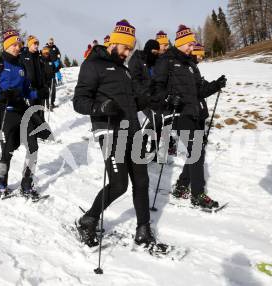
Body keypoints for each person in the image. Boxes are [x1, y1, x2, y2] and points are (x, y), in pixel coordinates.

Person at [73, 20, 154, 247]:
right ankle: (89, 219)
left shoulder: (124, 71)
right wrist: (100, 108)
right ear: (115, 43)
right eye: (126, 48)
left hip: (132, 131)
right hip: (110, 131)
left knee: (142, 181)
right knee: (119, 185)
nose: (128, 53)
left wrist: (145, 100)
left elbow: (130, 103)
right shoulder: (92, 65)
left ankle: (143, 229)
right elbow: (79, 101)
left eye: (131, 49)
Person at [151, 25, 226, 209]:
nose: (192, 48)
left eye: (193, 45)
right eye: (189, 45)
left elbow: (200, 90)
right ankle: (198, 195)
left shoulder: (191, 65)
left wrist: (216, 85)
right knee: (197, 151)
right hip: (177, 113)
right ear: (181, 43)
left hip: (193, 113)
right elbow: (155, 89)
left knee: (197, 150)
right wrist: (168, 98)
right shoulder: (166, 61)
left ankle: (182, 186)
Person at [0, 29, 45, 199]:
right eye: (13, 44)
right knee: (7, 151)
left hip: (22, 111)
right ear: (6, 46)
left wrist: (38, 93)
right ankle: (0, 183)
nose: (17, 47)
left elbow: (27, 91)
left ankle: (26, 185)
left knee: (33, 148)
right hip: (5, 111)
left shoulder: (21, 65)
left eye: (19, 44)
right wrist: (0, 95)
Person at [128, 39, 161, 158]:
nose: (155, 54)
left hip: (153, 96)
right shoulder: (136, 60)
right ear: (147, 49)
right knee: (156, 118)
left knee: (159, 120)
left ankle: (152, 146)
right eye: (153, 51)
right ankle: (150, 148)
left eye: (157, 52)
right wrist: (147, 93)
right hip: (140, 98)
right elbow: (134, 81)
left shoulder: (155, 61)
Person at [20, 35, 49, 119]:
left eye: (37, 44)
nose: (36, 46)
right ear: (29, 44)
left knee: (41, 113)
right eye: (34, 44)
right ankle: (34, 131)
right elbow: (21, 73)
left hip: (41, 88)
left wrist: (45, 85)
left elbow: (44, 72)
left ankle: (43, 130)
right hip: (30, 89)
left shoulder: (40, 56)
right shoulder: (23, 56)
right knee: (33, 114)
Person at [41, 46, 59, 111]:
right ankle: (46, 106)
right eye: (45, 53)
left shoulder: (51, 60)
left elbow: (54, 69)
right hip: (44, 80)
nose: (47, 54)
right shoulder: (41, 60)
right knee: (46, 93)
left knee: (53, 92)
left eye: (47, 53)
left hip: (51, 79)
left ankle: (52, 104)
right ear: (43, 53)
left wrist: (57, 68)